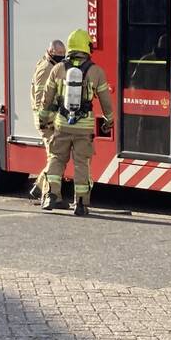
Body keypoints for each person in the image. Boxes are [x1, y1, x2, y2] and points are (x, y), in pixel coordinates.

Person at [38, 29, 114, 217]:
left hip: (62, 124)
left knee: (56, 159)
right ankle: (80, 204)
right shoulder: (96, 71)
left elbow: (46, 98)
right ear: (86, 47)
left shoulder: (58, 69)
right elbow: (105, 100)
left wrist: (43, 119)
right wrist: (109, 120)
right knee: (81, 164)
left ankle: (50, 195)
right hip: (84, 127)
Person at [29, 39, 66, 201]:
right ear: (50, 52)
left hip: (50, 119)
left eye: (63, 54)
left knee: (57, 157)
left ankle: (39, 187)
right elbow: (41, 101)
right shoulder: (46, 69)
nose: (62, 57)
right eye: (59, 54)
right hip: (46, 121)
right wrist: (49, 121)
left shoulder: (51, 66)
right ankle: (50, 195)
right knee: (55, 158)